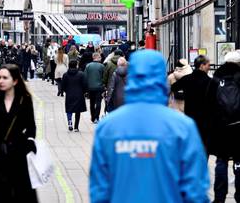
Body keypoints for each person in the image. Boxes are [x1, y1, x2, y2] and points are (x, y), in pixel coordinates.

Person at [90, 50, 209, 203]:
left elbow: (100, 189)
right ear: (161, 78)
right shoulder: (182, 128)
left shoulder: (108, 128)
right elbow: (195, 189)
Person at [0, 64, 38, 203]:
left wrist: (30, 141)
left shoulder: (24, 100)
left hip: (19, 153)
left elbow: (31, 125)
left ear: (15, 81)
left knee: (22, 193)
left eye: (5, 78)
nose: (0, 81)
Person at [206, 51, 240, 203]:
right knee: (239, 161)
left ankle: (219, 197)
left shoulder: (216, 76)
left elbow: (208, 101)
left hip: (220, 127)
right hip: (238, 126)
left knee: (221, 161)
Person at [171, 55, 211, 145]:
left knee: (191, 141)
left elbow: (173, 87)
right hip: (205, 118)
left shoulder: (187, 79)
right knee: (204, 143)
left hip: (189, 115)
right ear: (202, 65)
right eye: (208, 65)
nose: (209, 67)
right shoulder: (209, 81)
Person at [62, 60, 87, 132]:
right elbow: (85, 84)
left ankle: (70, 122)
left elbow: (63, 86)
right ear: (76, 65)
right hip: (79, 94)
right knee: (77, 111)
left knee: (69, 109)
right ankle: (76, 127)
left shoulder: (65, 75)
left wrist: (66, 91)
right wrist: (84, 92)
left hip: (69, 94)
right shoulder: (81, 74)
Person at [84, 53, 105, 123]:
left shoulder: (88, 66)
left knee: (92, 103)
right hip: (99, 87)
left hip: (90, 87)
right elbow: (104, 77)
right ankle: (96, 117)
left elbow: (85, 77)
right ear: (97, 57)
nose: (101, 58)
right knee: (98, 103)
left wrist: (86, 88)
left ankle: (92, 117)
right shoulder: (102, 66)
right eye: (100, 57)